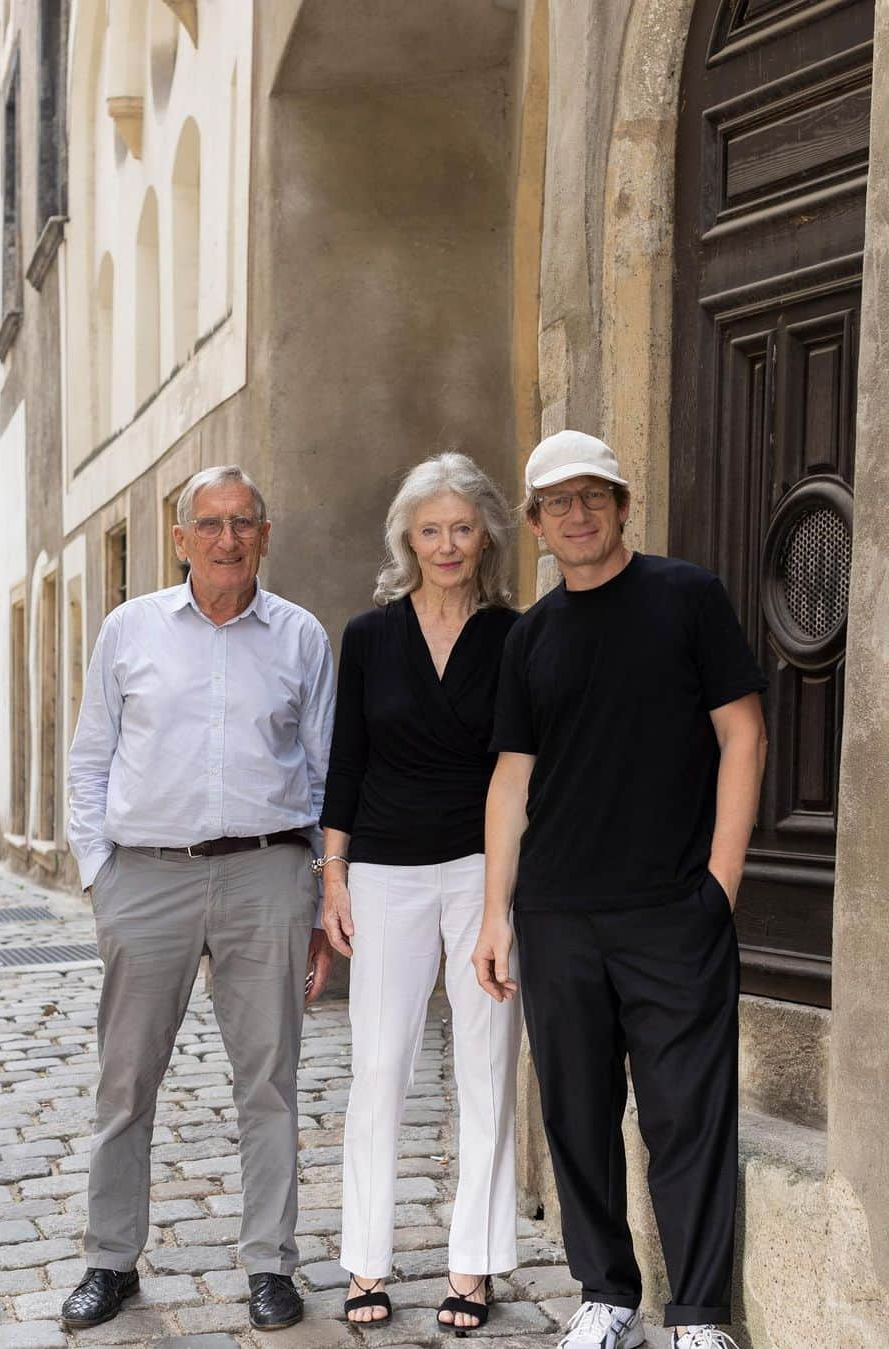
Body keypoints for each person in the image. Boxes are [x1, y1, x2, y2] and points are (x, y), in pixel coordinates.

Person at [472, 430, 767, 1349]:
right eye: (558, 503)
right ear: (535, 525)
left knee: (688, 1110)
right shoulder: (530, 637)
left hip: (672, 910)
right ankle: (606, 1295)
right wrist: (495, 914)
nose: (578, 513)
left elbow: (744, 736)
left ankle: (698, 1315)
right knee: (576, 1111)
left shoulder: (687, 597)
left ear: (623, 504)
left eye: (594, 495)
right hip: (557, 915)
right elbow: (511, 781)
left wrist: (719, 885)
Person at [64, 465, 335, 1333]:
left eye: (243, 522)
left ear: (265, 533)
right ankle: (111, 1258)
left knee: (271, 1082)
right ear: (180, 539)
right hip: (145, 878)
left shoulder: (300, 638)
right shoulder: (129, 629)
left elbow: (328, 776)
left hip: (267, 874)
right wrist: (100, 875)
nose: (227, 539)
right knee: (127, 1078)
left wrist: (323, 893)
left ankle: (270, 1265)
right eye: (209, 524)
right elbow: (89, 759)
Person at [320, 452, 522, 1334]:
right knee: (379, 1069)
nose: (447, 544)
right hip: (387, 871)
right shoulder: (368, 635)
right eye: (431, 529)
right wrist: (332, 873)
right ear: (408, 535)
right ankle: (366, 1261)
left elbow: (523, 767)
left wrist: (503, 900)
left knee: (486, 1070)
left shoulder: (516, 635)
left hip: (484, 870)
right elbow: (344, 761)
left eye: (463, 528)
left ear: (486, 539)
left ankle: (472, 1266)